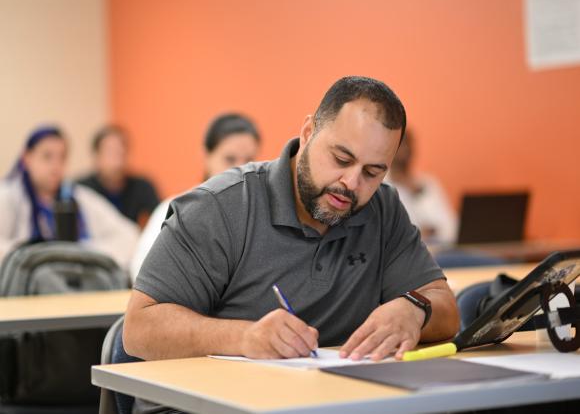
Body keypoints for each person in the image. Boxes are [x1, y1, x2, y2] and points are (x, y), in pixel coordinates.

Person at [124, 76, 459, 378]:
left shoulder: (382, 208)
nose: (352, 183)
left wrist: (415, 310)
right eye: (341, 159)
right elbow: (139, 329)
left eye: (372, 172)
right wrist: (244, 337)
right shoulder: (219, 207)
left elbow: (445, 308)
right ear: (308, 132)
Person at [128, 113, 261, 280]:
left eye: (249, 160)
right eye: (229, 159)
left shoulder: (260, 214)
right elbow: (140, 273)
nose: (240, 170)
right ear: (206, 156)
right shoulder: (176, 209)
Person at [0, 126, 139, 268]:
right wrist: (40, 255)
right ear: (27, 158)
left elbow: (129, 235)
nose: (56, 166)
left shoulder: (79, 198)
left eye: (62, 157)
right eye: (47, 156)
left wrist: (80, 252)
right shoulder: (9, 197)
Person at [78, 125, 160, 226]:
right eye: (110, 151)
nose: (117, 159)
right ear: (96, 157)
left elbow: (160, 216)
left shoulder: (142, 186)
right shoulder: (82, 190)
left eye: (121, 151)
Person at [385, 130, 457, 244]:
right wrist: (418, 233)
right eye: (401, 144)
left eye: (409, 143)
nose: (406, 149)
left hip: (442, 249)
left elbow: (452, 227)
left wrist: (419, 195)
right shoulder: (382, 187)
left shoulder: (428, 183)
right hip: (409, 253)